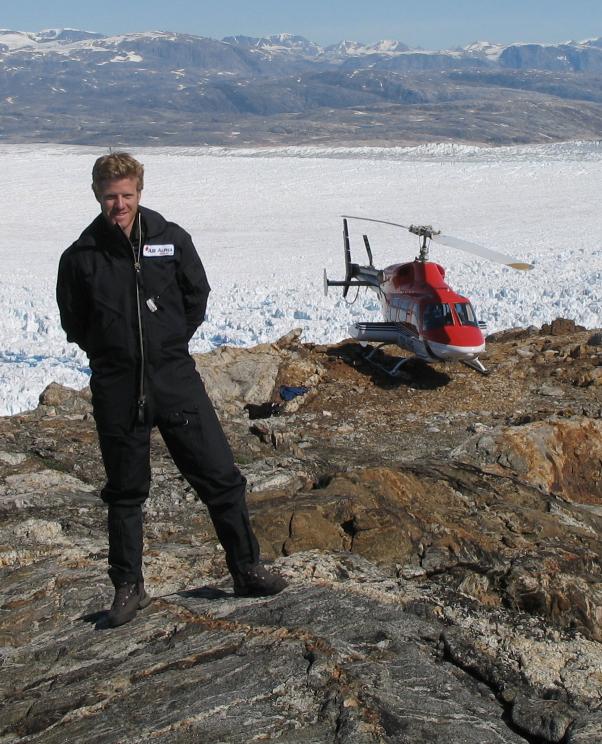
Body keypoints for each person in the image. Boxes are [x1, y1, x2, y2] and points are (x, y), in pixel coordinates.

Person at [57, 152, 286, 627]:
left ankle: (247, 569)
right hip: (119, 386)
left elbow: (196, 295)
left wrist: (167, 343)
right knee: (125, 491)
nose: (119, 205)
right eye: (110, 197)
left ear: (139, 192)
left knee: (220, 476)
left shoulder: (171, 239)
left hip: (174, 379)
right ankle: (128, 587)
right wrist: (113, 354)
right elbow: (74, 322)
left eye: (126, 195)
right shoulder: (81, 257)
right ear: (97, 195)